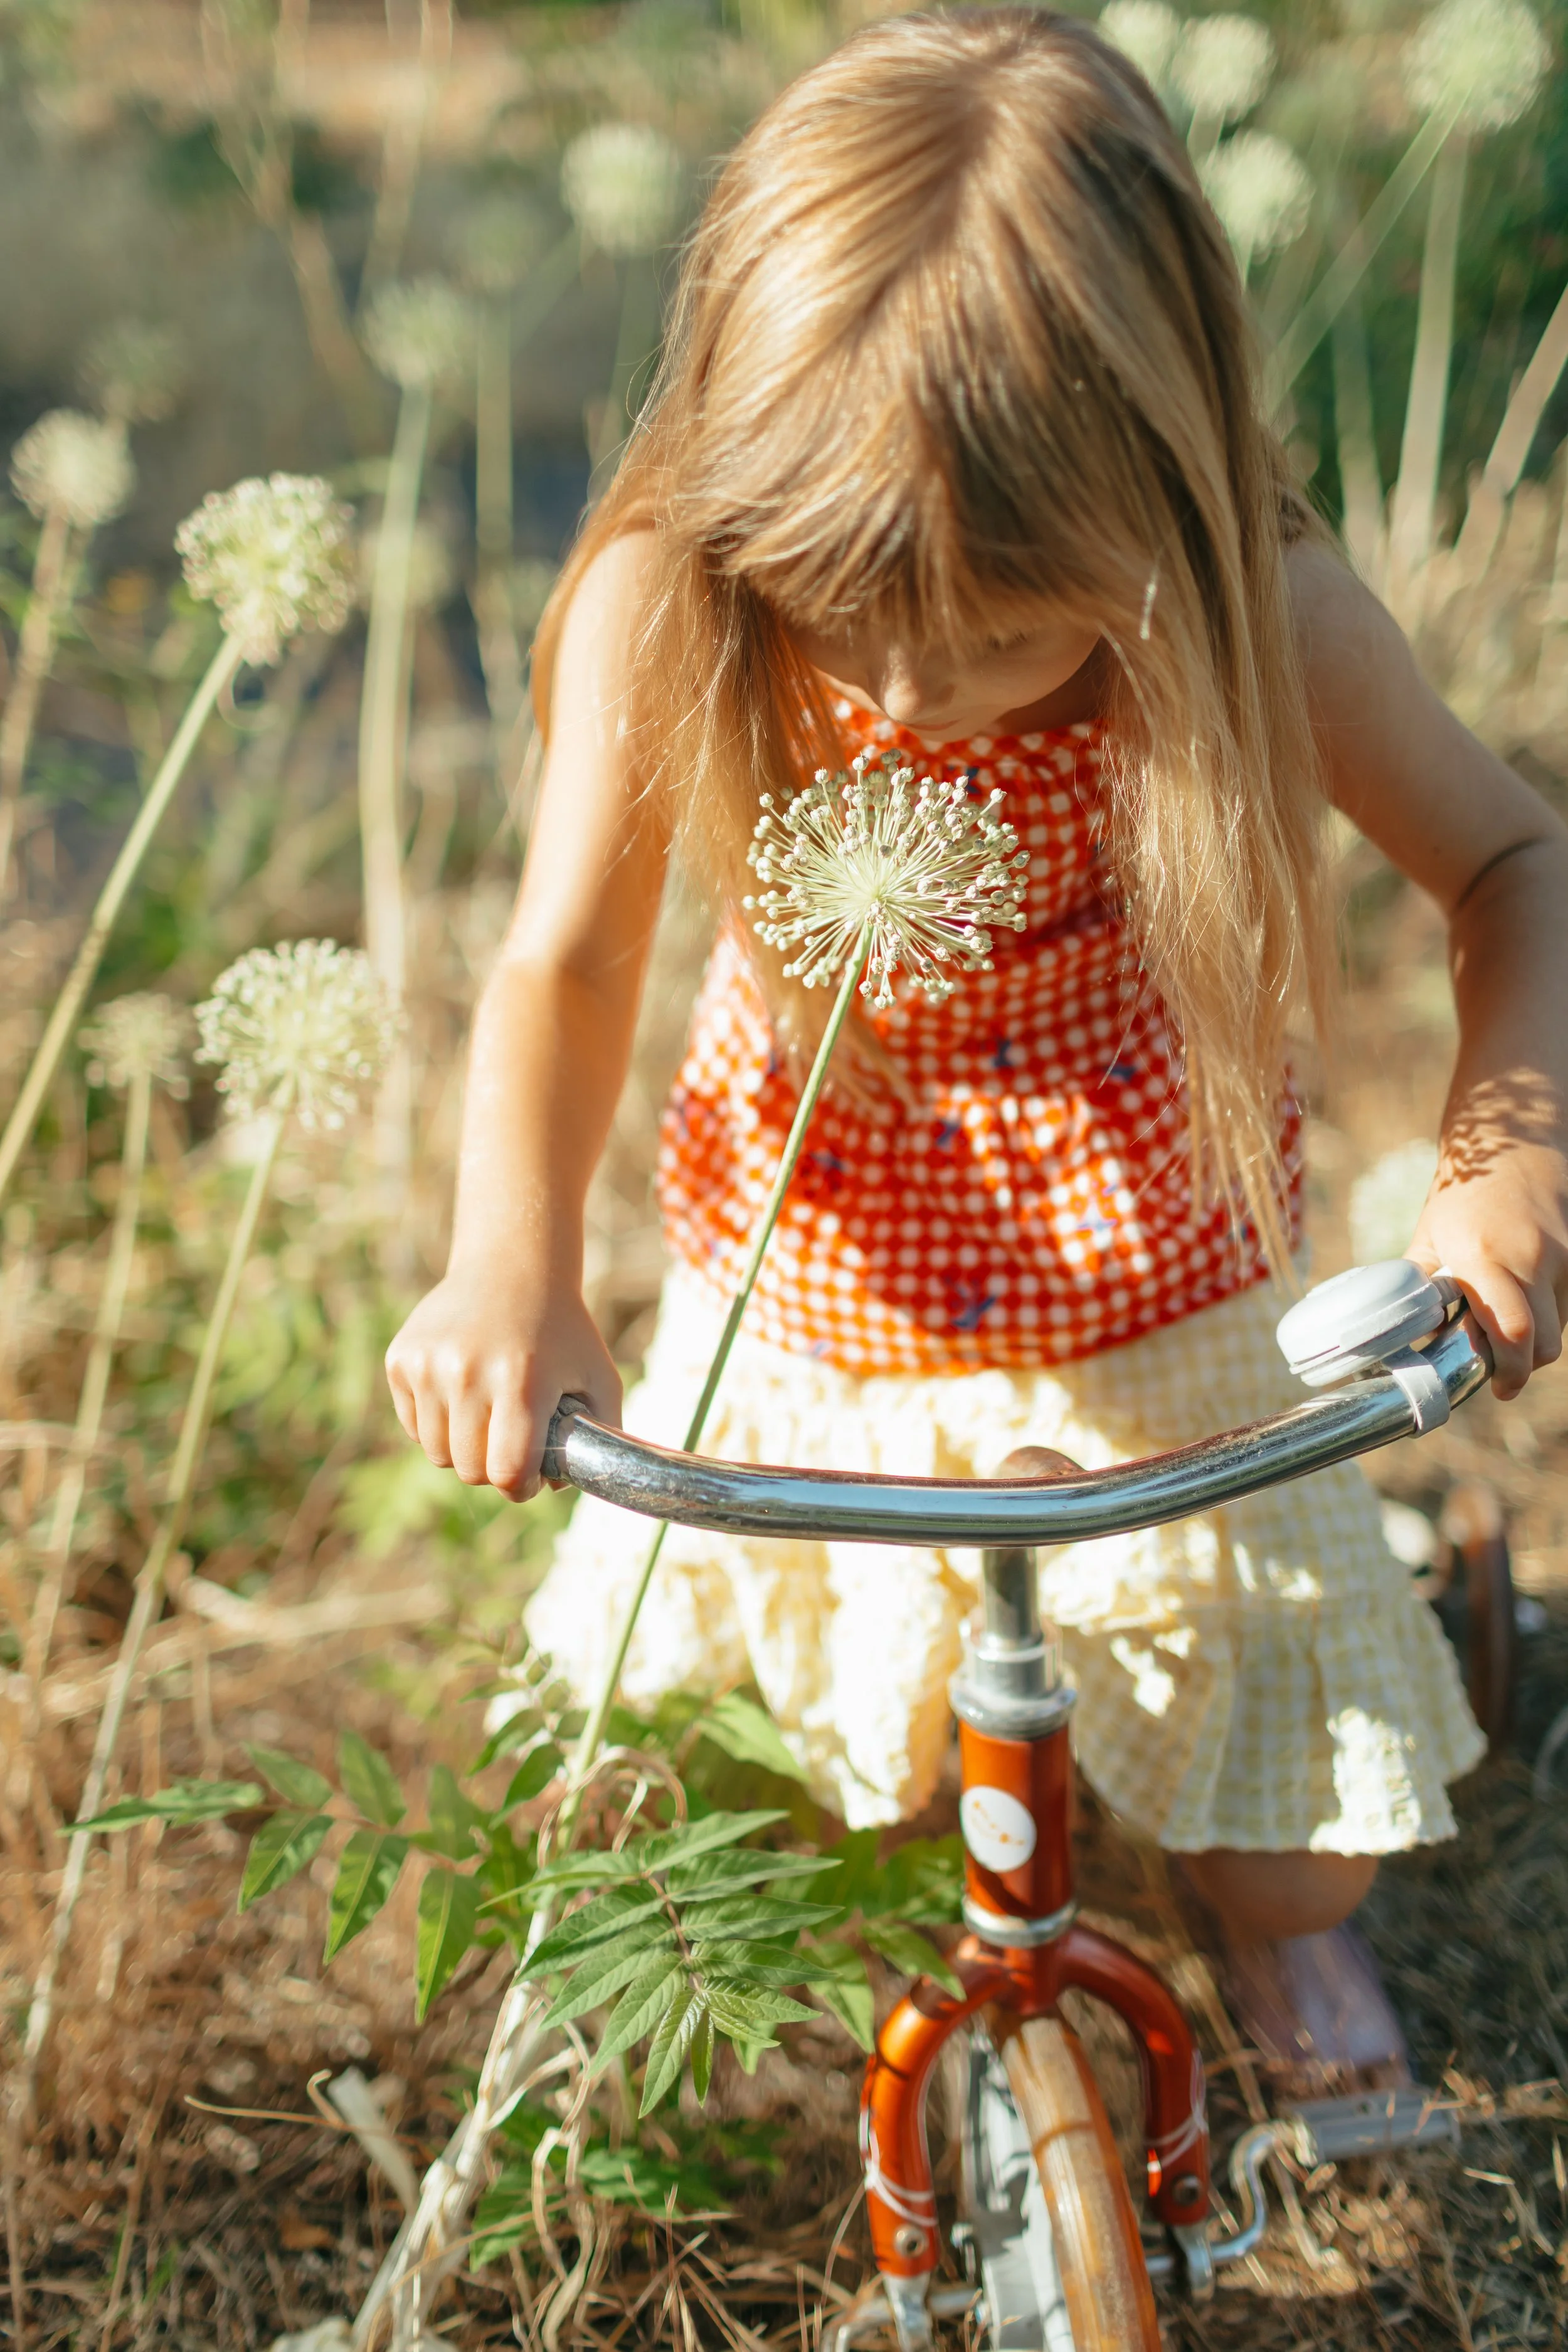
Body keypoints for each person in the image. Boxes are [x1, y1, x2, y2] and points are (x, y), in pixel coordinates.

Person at [386, 11, 1568, 2084]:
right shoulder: (673, 600)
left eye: (1009, 627)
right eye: (853, 617)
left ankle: (1260, 1867)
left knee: (1297, 1873)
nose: (920, 690)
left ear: (1163, 483)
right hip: (819, 1272)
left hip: (1153, 1283)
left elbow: (1510, 864)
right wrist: (516, 1261)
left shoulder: (1256, 622)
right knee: (693, 1803)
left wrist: (1509, 1147)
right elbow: (561, 966)